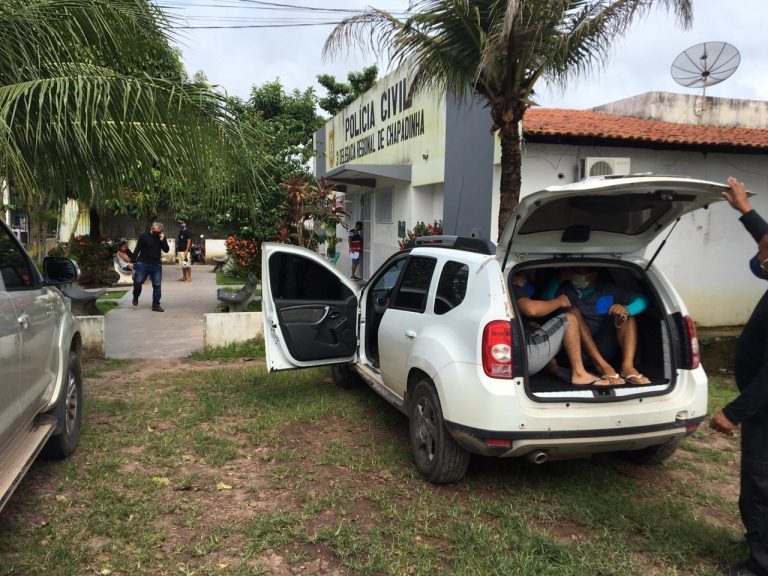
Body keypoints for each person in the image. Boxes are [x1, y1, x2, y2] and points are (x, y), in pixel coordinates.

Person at [710, 177, 768, 576]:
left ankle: (760, 563)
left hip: (763, 408)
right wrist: (745, 210)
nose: (760, 260)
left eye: (765, 256)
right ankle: (760, 540)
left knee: (758, 484)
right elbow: (767, 240)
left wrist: (734, 412)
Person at [542, 267, 651, 385]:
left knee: (625, 314)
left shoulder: (608, 289)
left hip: (603, 347)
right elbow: (543, 303)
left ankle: (628, 367)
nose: (572, 275)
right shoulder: (564, 290)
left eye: (577, 272)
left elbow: (643, 299)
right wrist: (557, 280)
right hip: (575, 353)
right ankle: (602, 366)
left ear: (592, 276)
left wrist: (627, 309)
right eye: (571, 271)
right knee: (572, 312)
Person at [512, 272, 615, 386]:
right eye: (523, 274)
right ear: (515, 277)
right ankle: (579, 373)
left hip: (516, 359)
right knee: (569, 319)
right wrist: (559, 301)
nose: (527, 278)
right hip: (525, 354)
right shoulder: (515, 287)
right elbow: (532, 310)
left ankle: (555, 369)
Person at [131, 221, 169, 312]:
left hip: (156, 265)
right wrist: (133, 260)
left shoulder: (161, 237)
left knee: (157, 285)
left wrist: (163, 240)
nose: (158, 233)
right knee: (138, 282)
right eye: (157, 231)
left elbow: (166, 250)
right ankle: (135, 296)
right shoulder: (144, 236)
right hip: (143, 263)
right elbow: (138, 248)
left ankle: (156, 305)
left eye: (160, 231)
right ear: (152, 229)